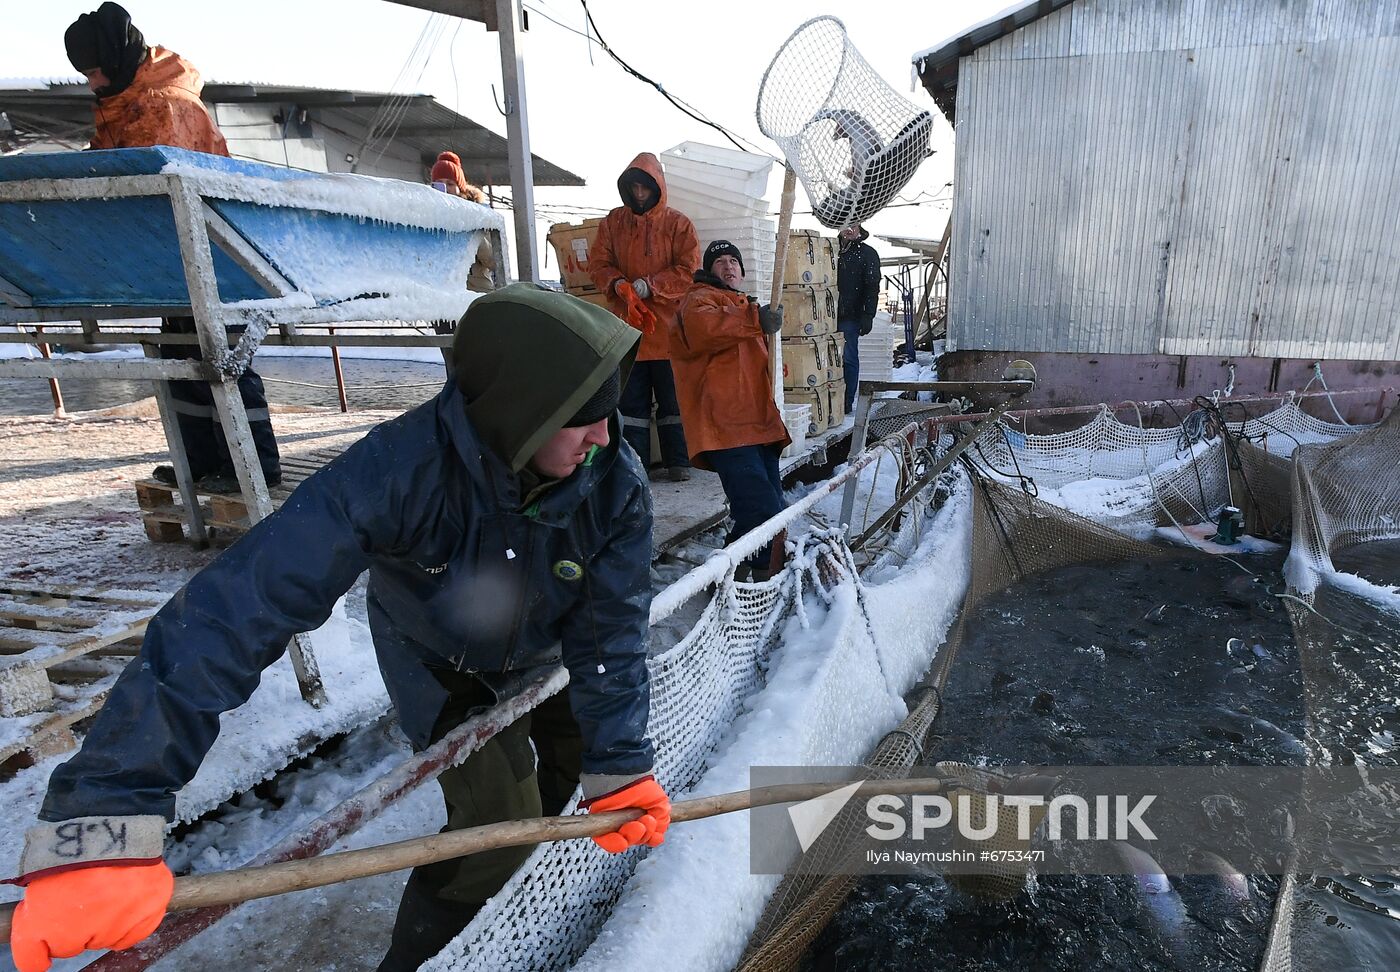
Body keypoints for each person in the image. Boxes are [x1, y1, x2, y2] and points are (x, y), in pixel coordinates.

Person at [7, 284, 671, 972]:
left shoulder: (611, 478)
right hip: (439, 661)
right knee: (498, 828)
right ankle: (434, 959)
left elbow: (612, 627)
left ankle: (547, 905)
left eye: (606, 412)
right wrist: (102, 823)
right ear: (519, 409)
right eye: (580, 417)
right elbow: (234, 613)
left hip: (550, 649)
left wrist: (619, 761)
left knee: (577, 787)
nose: (604, 435)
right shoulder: (397, 472)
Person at [64, 2, 280, 492]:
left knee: (223, 361)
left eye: (94, 71)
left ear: (114, 61)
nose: (91, 83)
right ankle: (203, 463)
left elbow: (155, 183)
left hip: (215, 253)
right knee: (183, 361)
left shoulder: (163, 106)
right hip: (175, 258)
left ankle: (255, 466)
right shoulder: (125, 99)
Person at [672, 241, 790, 579]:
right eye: (720, 261)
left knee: (768, 508)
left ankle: (750, 571)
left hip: (756, 423)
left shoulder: (743, 308)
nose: (729, 266)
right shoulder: (699, 301)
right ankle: (740, 573)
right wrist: (756, 318)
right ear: (709, 270)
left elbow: (757, 364)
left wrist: (774, 363)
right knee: (763, 508)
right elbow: (705, 329)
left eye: (734, 261)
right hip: (725, 427)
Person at [589, 153, 700, 483]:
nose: (639, 193)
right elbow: (598, 264)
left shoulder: (678, 224)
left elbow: (689, 270)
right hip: (627, 331)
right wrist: (618, 284)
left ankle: (679, 462)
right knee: (630, 405)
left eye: (645, 187)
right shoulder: (612, 222)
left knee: (673, 403)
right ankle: (634, 466)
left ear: (657, 187)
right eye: (633, 187)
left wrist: (649, 286)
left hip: (669, 332)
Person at [427, 150, 496, 375]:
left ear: (461, 187)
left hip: (473, 296)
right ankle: (454, 405)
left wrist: (470, 232)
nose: (445, 189)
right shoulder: (423, 215)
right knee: (451, 361)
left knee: (477, 359)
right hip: (441, 299)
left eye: (450, 183)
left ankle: (475, 406)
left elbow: (493, 260)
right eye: (439, 184)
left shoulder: (478, 215)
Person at [836, 222, 881, 413]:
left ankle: (846, 401)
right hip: (825, 316)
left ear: (859, 227)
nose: (849, 229)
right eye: (845, 224)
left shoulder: (867, 253)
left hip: (850, 316)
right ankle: (831, 400)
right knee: (826, 358)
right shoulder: (830, 250)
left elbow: (872, 287)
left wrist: (868, 315)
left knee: (848, 357)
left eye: (853, 225)